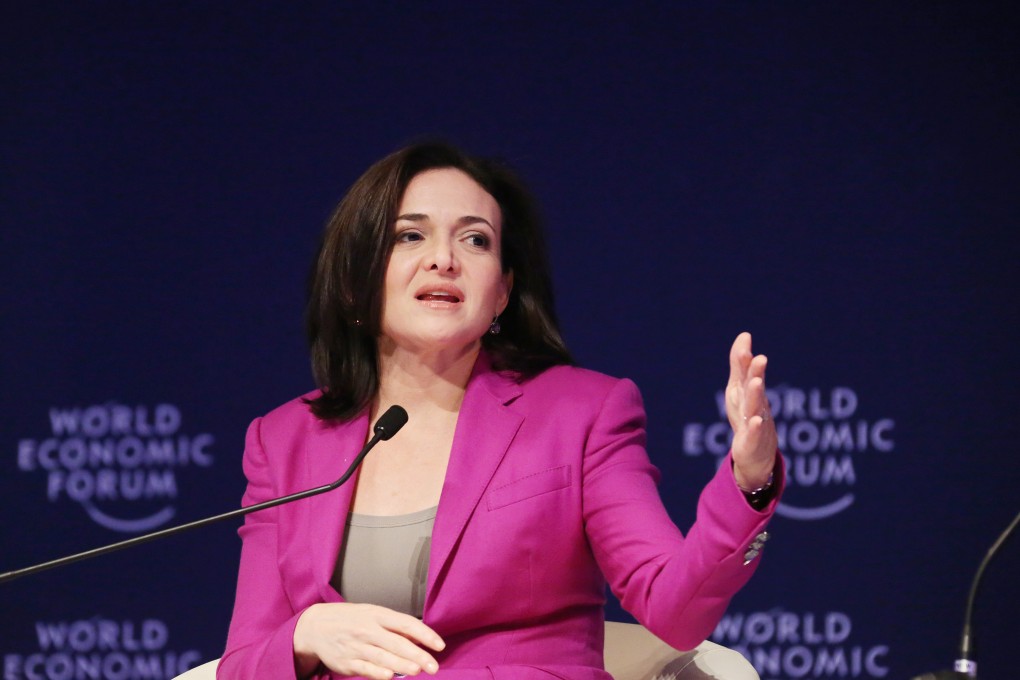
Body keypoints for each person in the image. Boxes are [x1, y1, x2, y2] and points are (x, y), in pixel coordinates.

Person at [218, 142, 782, 680]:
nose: (443, 260)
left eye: (475, 241)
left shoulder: (581, 414)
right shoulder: (284, 440)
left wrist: (749, 481)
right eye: (410, 235)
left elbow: (675, 610)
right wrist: (305, 634)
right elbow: (242, 666)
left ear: (503, 293)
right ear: (352, 283)